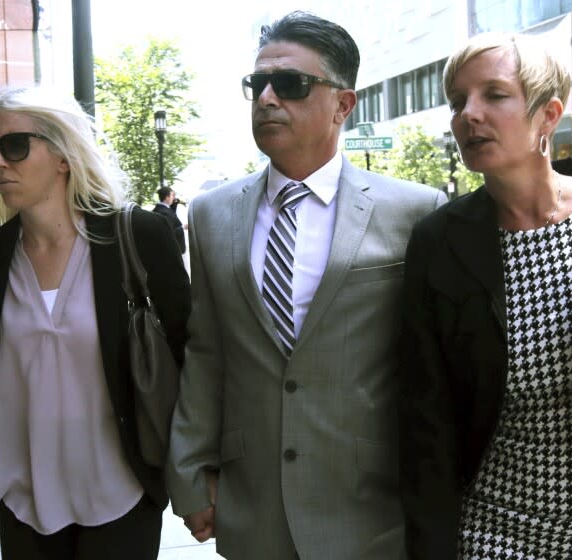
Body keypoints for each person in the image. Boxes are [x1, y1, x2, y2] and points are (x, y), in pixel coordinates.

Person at [165, 11, 446, 560]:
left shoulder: (414, 211)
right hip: (254, 504)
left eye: (290, 84)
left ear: (344, 104)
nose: (268, 98)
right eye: (258, 84)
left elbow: (430, 369)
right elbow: (207, 353)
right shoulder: (211, 213)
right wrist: (190, 471)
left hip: (372, 505)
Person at [399, 32, 572, 559]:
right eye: (458, 101)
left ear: (548, 115)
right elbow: (425, 417)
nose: (467, 115)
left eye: (494, 95)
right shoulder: (440, 243)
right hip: (501, 529)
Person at [0, 87, 190, 559]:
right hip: (22, 500)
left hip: (123, 494)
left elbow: (191, 358)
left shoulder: (138, 238)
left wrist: (199, 476)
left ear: (63, 156)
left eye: (14, 146)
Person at [152, 186, 186, 254]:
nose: (173, 198)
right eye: (172, 195)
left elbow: (171, 214)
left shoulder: (161, 209)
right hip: (173, 251)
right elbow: (170, 232)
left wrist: (175, 202)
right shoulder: (164, 212)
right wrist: (183, 227)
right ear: (167, 197)